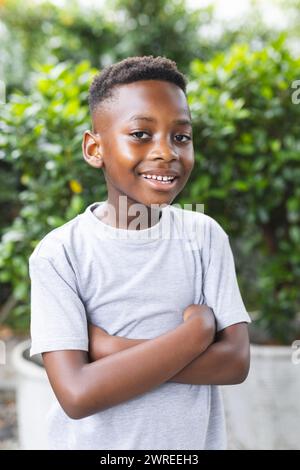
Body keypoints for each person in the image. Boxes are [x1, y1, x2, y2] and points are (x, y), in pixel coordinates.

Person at [29, 55, 251, 450]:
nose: (166, 152)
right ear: (94, 148)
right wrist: (197, 333)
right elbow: (78, 394)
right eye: (141, 134)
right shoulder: (60, 254)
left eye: (181, 137)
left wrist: (111, 349)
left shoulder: (204, 237)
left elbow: (234, 363)